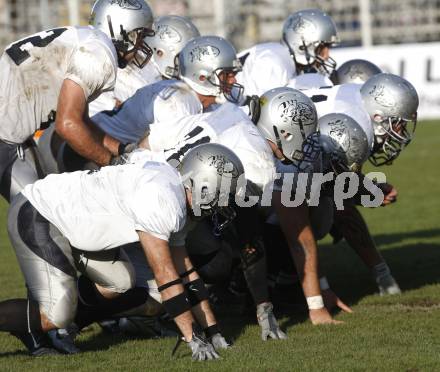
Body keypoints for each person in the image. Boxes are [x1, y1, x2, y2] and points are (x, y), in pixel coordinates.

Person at [0, 143, 243, 359]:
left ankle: (64, 326)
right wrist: (193, 338)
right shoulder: (163, 199)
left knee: (120, 281)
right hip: (43, 211)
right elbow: (165, 275)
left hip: (78, 224)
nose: (225, 204)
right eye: (223, 194)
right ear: (203, 184)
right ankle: (57, 324)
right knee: (56, 314)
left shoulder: (176, 193)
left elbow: (185, 271)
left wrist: (213, 331)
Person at [0, 0, 154, 202]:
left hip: (12, 136)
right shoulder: (98, 55)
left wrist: (122, 150)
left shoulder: (88, 40)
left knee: (48, 211)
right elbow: (68, 125)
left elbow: (80, 120)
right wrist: (112, 164)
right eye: (139, 35)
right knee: (39, 219)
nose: (141, 44)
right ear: (123, 31)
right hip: (6, 139)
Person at [236, 9, 339, 96]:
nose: (326, 56)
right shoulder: (272, 62)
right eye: (321, 48)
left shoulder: (285, 59)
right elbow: (265, 110)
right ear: (302, 45)